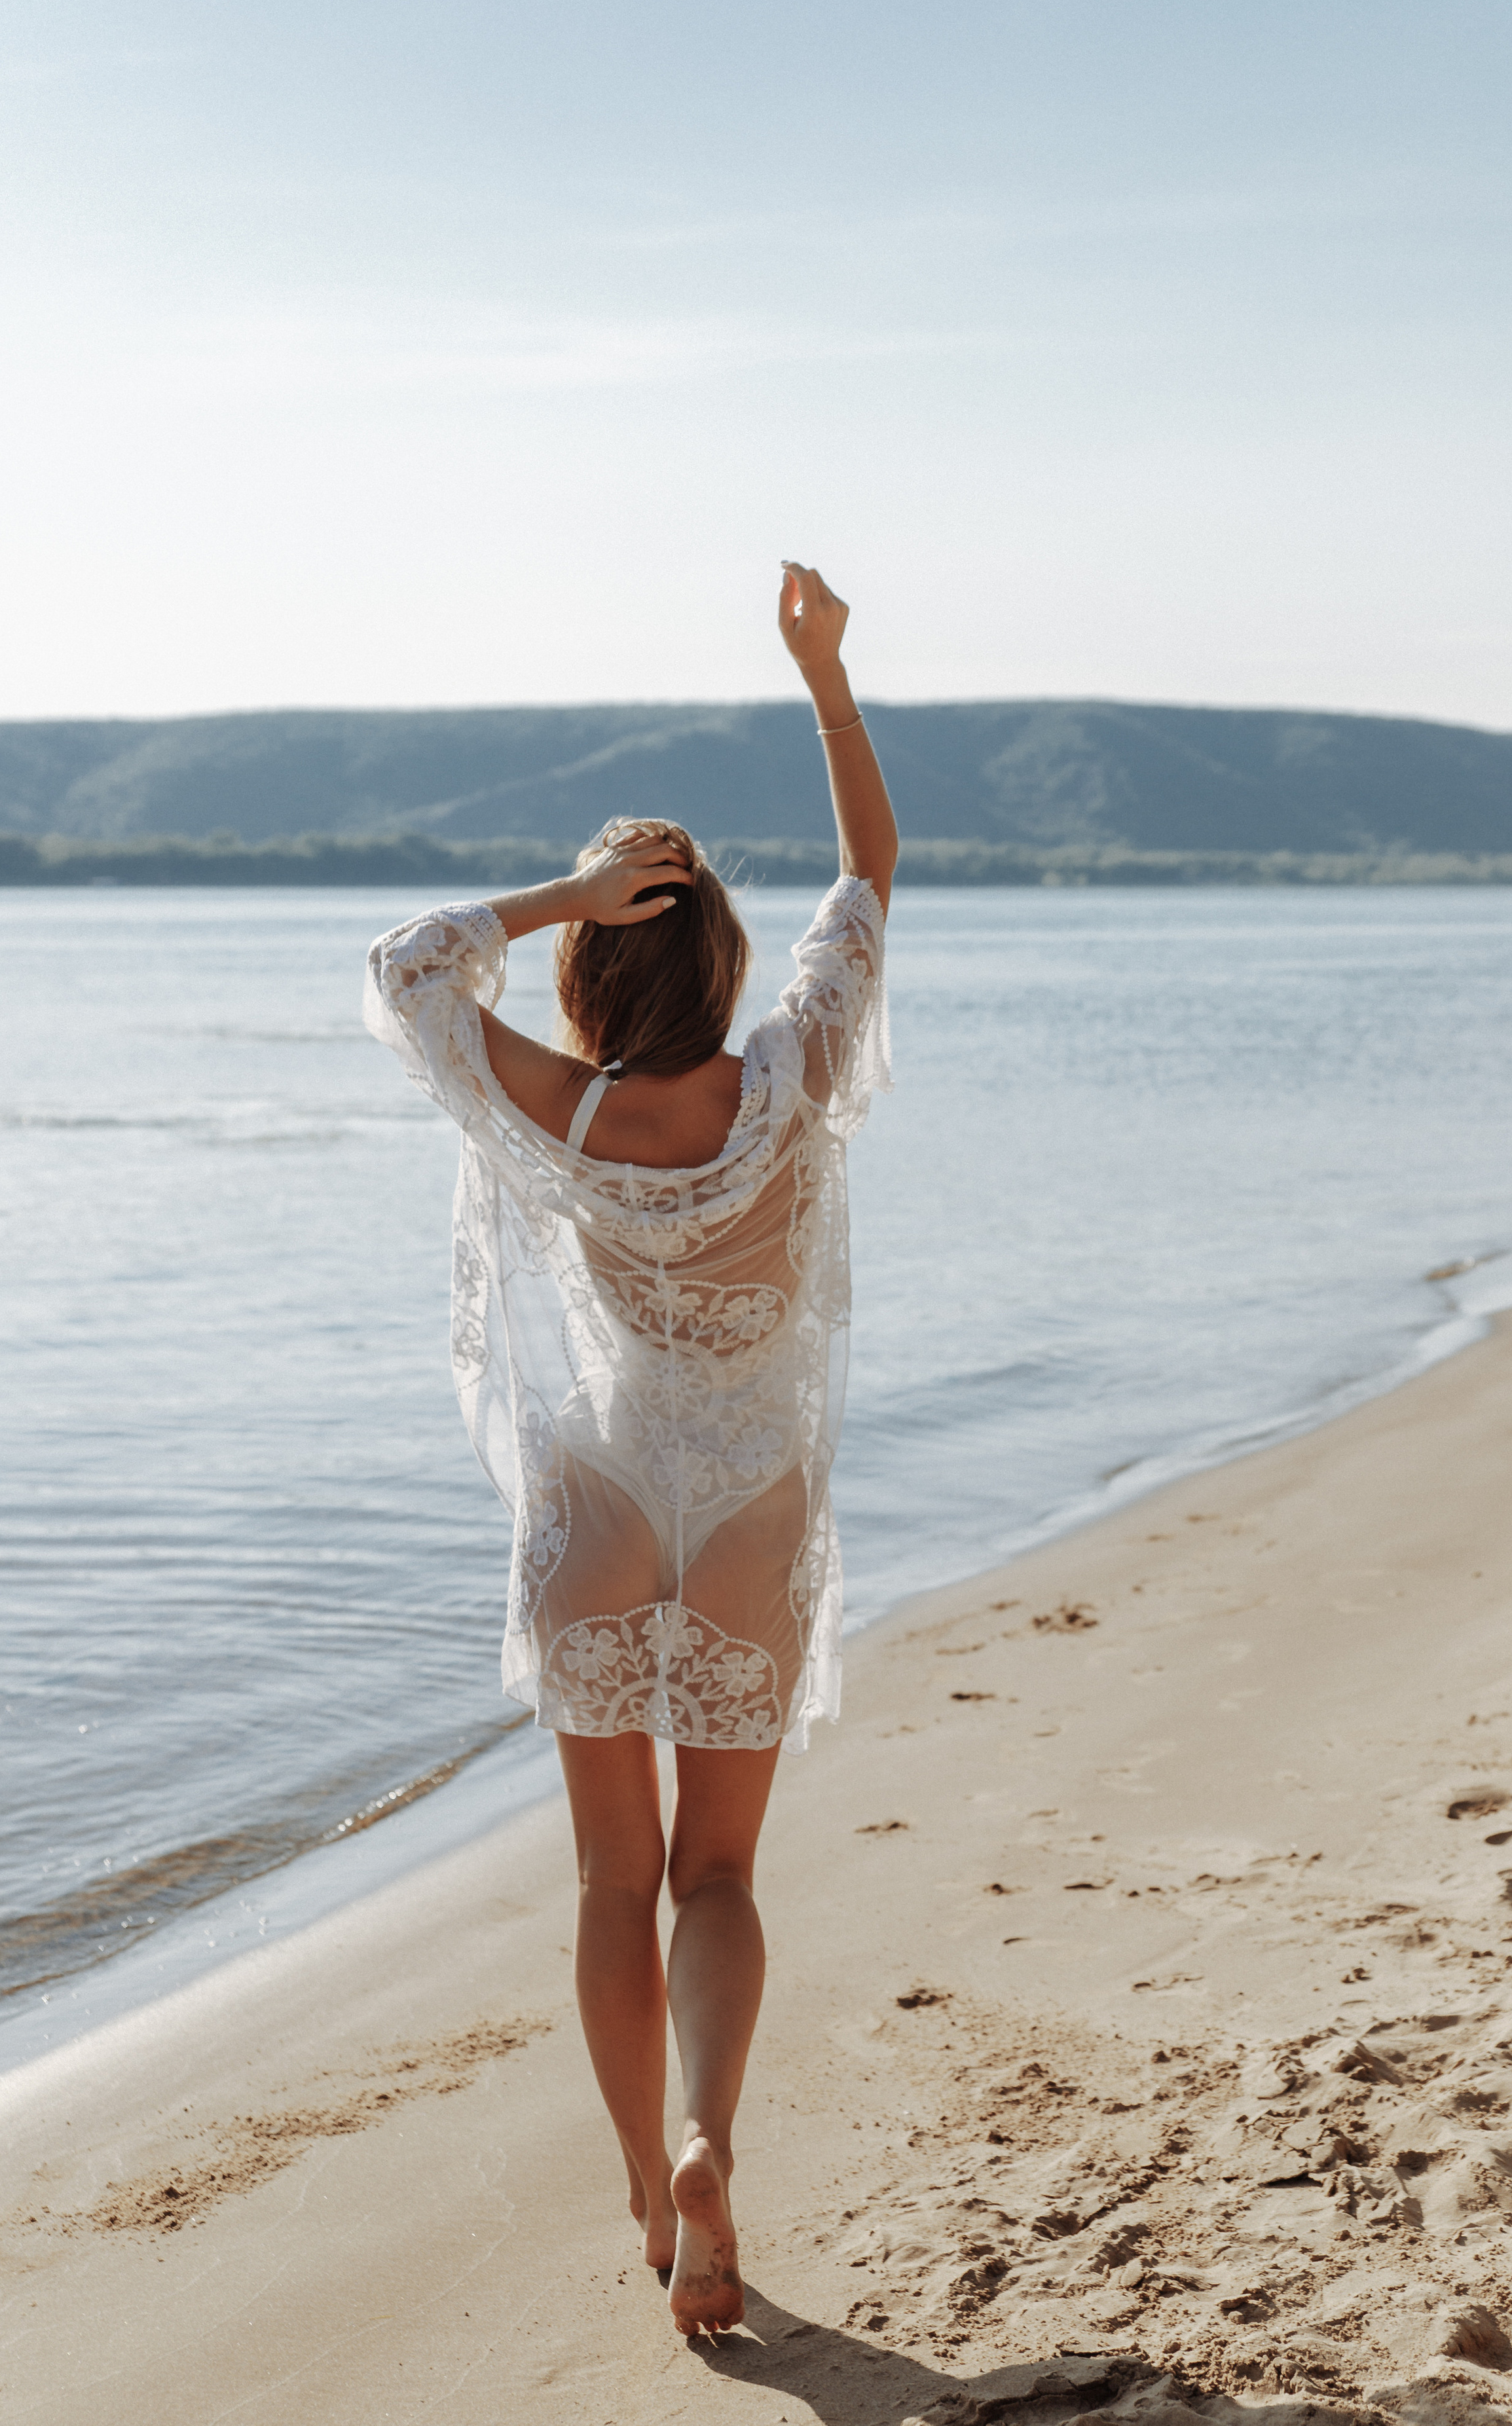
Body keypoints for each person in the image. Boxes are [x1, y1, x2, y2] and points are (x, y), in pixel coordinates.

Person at [363, 564, 898, 2338]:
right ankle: (702, 2140)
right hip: (749, 1516)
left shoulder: (554, 1108)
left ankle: (645, 2208)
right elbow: (870, 877)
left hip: (599, 1516)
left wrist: (560, 891)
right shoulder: (792, 1078)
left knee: (609, 1877)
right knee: (720, 1879)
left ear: (599, 953)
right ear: (725, 957)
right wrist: (823, 680)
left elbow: (409, 965)